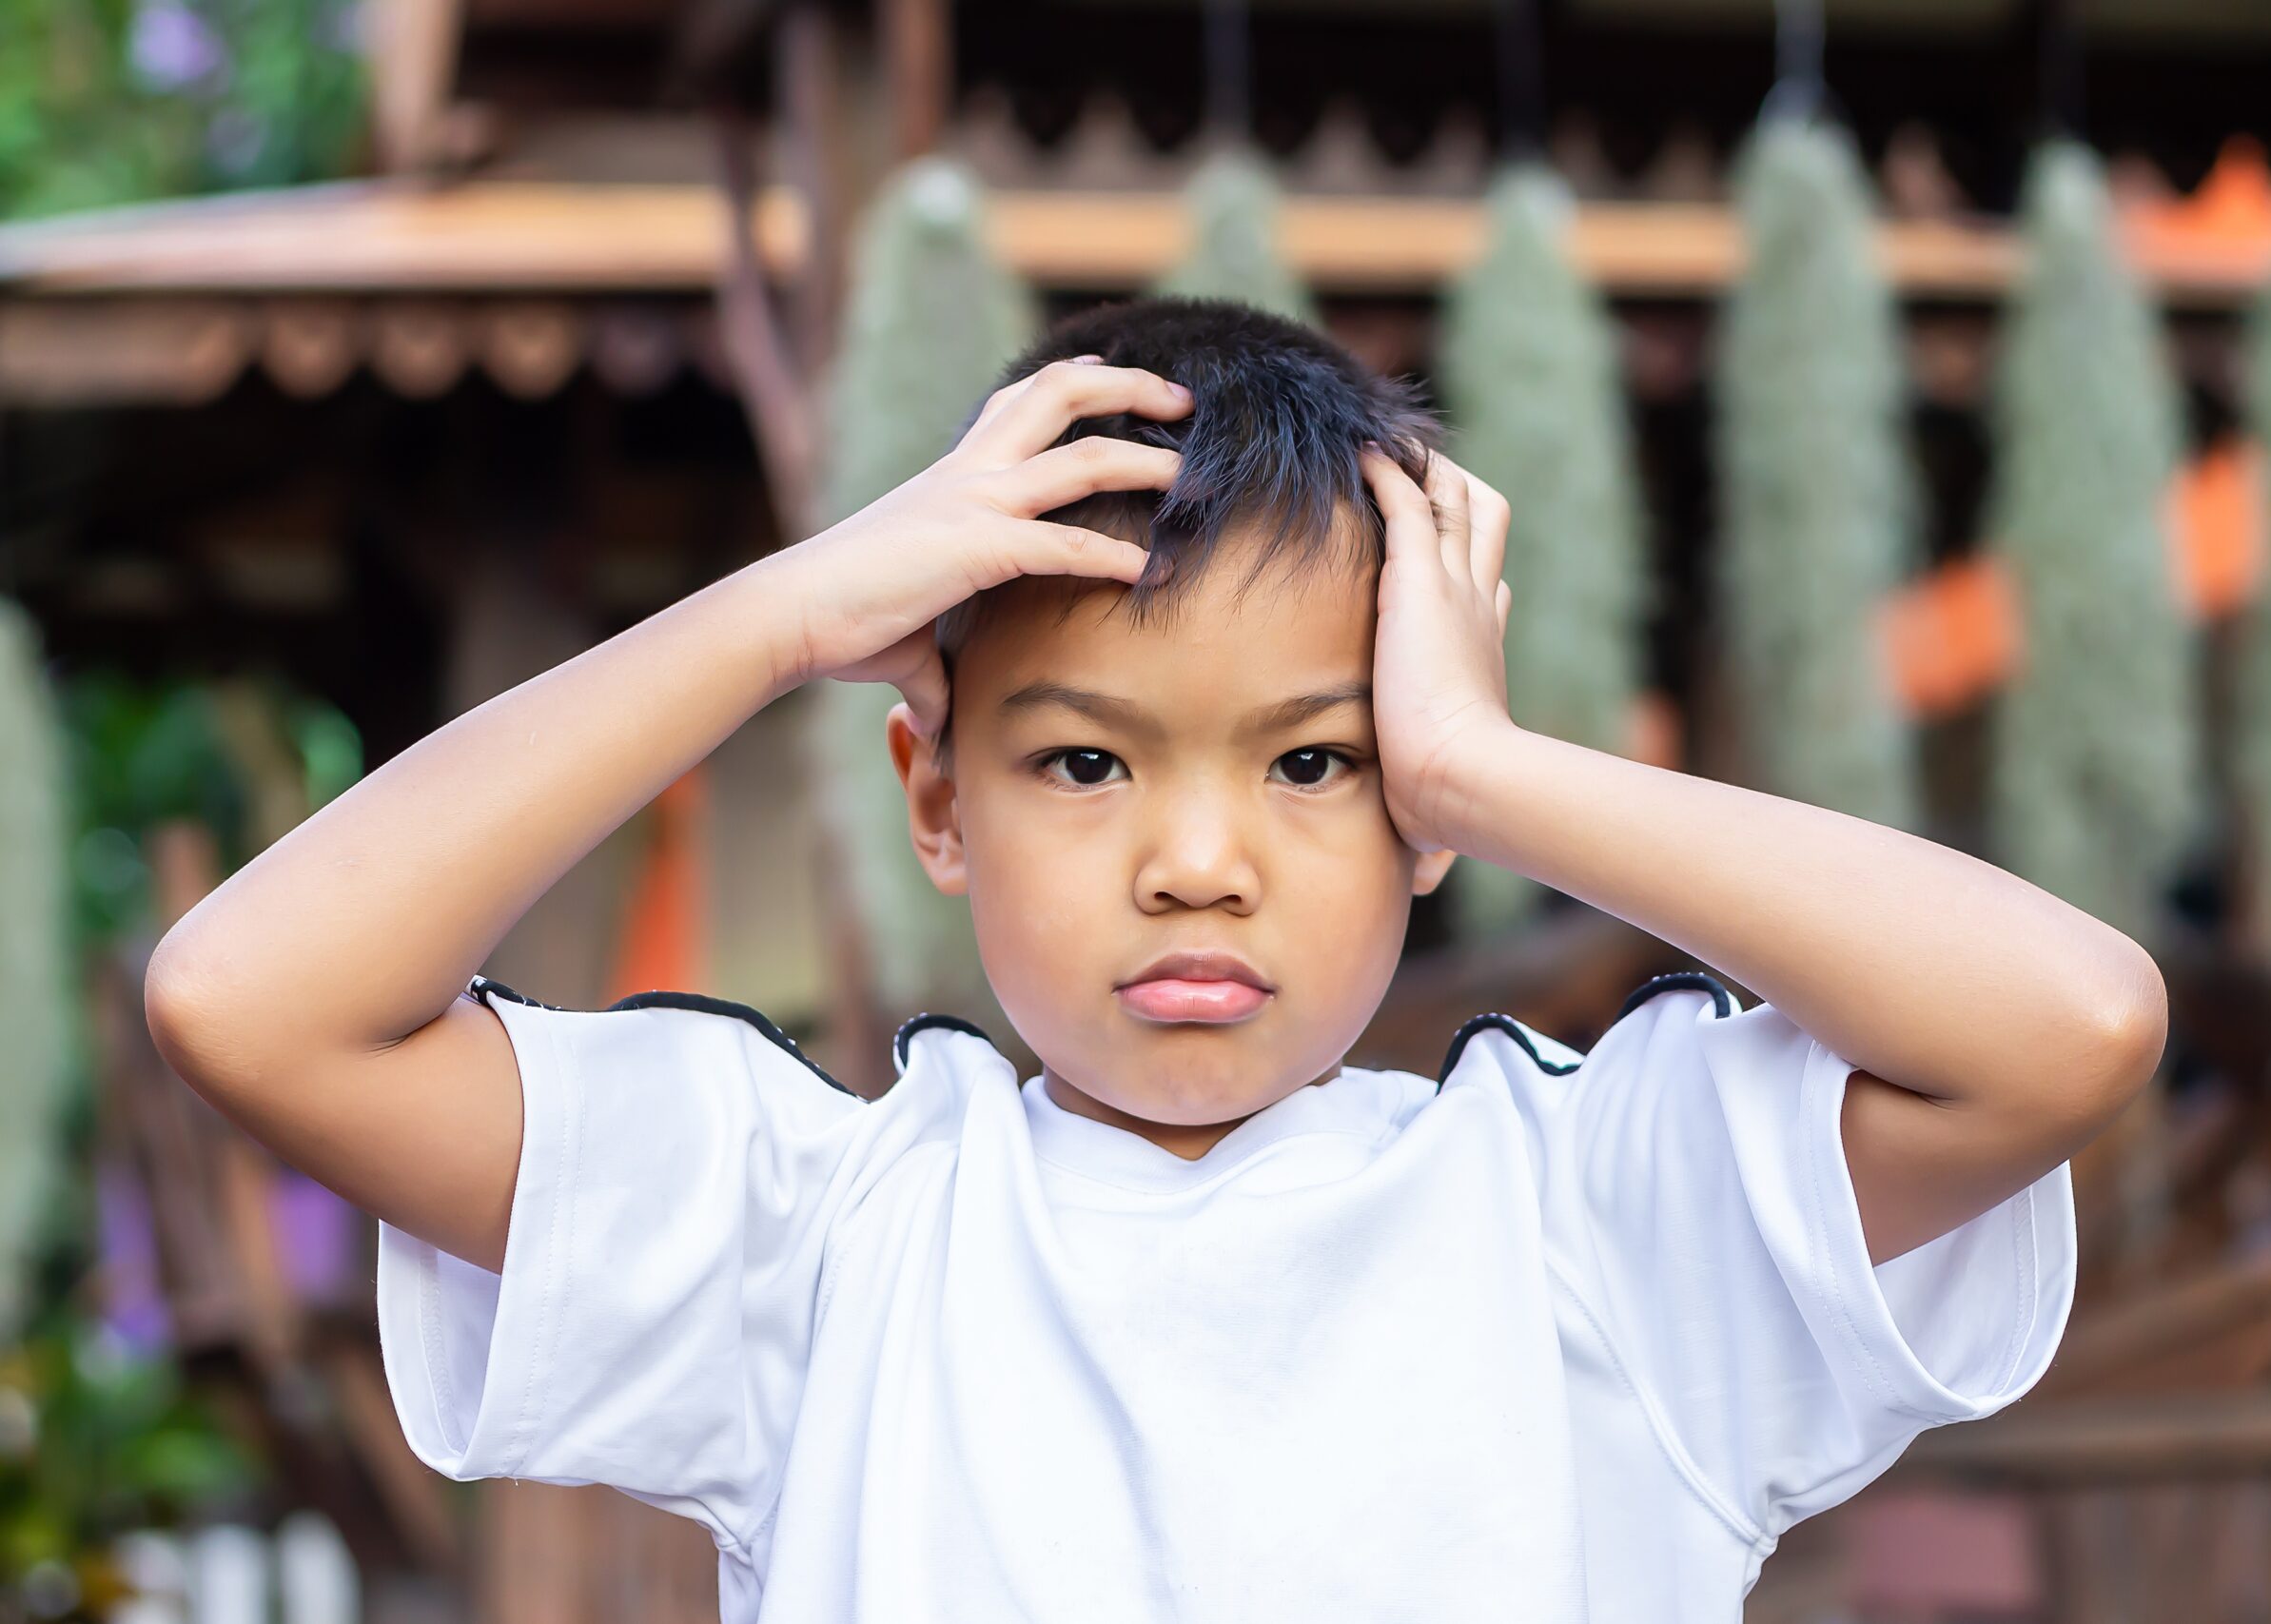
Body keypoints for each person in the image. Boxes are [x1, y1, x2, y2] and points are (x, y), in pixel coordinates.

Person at [146, 295, 2158, 1622]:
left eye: (1312, 760)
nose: (1199, 860)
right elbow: (250, 997)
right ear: (931, 795)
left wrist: (1484, 762)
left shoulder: (1594, 1215)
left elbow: (2065, 1025)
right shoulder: (823, 1233)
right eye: (1086, 758)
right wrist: (775, 612)